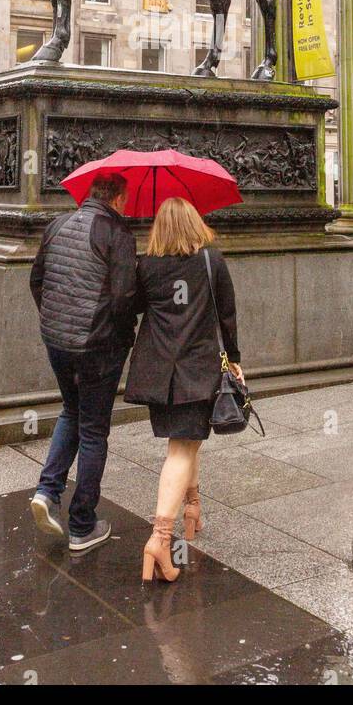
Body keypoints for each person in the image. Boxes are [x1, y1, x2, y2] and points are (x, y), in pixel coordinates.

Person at [124, 197, 242, 583]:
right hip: (197, 369)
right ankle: (160, 539)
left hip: (159, 373)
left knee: (186, 440)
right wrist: (235, 359)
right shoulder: (211, 260)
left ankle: (193, 507)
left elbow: (133, 308)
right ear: (194, 223)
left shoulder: (147, 266)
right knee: (181, 448)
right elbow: (227, 316)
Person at [29, 172, 137, 553]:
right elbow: (124, 298)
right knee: (93, 429)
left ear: (91, 193)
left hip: (57, 341)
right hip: (97, 346)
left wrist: (54, 319)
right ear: (119, 198)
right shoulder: (117, 233)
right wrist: (126, 336)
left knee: (70, 411)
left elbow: (37, 280)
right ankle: (82, 524)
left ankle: (47, 490)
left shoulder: (57, 225)